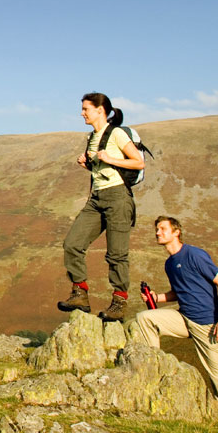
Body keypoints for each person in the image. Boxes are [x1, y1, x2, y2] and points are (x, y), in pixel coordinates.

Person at [134, 216, 218, 416]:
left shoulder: (194, 255)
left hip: (208, 325)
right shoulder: (170, 264)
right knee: (145, 318)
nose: (158, 232)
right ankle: (154, 366)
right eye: (157, 229)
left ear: (176, 232)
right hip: (185, 318)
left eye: (163, 229)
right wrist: (156, 297)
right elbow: (179, 291)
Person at [58, 92, 144, 321]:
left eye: (86, 108)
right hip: (97, 198)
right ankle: (80, 292)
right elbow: (102, 170)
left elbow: (138, 162)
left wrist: (109, 158)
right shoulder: (91, 137)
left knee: (117, 255)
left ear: (100, 110)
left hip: (118, 198)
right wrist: (88, 164)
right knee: (72, 244)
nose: (82, 113)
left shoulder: (116, 133)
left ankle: (119, 303)